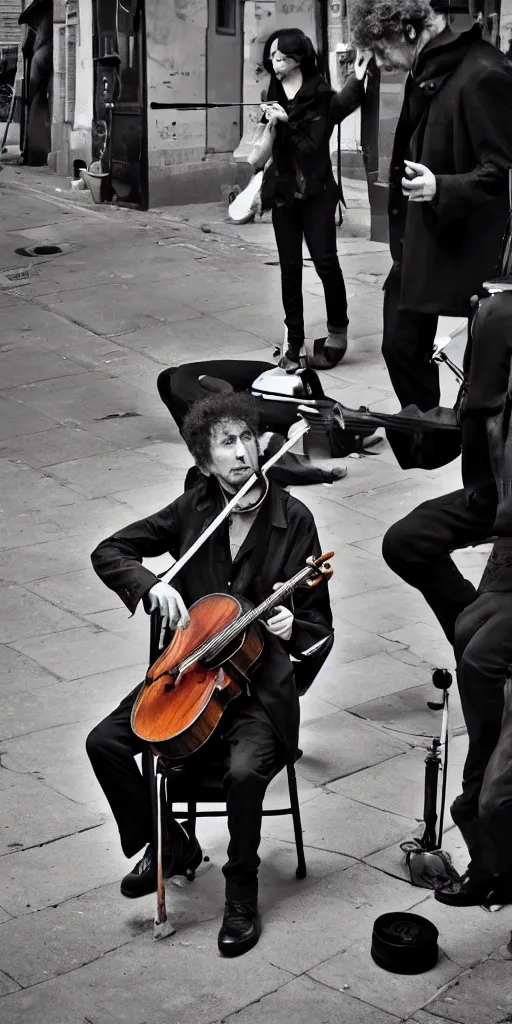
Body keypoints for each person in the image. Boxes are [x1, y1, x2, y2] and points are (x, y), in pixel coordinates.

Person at [86, 392, 333, 956]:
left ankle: (240, 890)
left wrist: (292, 626)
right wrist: (151, 584)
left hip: (257, 690)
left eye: (248, 438)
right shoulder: (194, 507)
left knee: (246, 773)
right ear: (204, 464)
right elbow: (111, 550)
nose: (243, 452)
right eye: (228, 444)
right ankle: (170, 844)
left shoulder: (293, 520)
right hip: (189, 673)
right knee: (103, 742)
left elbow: (320, 628)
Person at [382, 281, 512, 908]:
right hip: (495, 506)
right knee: (408, 544)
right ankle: (476, 633)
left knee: (482, 661)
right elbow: (454, 438)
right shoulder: (492, 374)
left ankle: (490, 858)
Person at [350, 0, 512, 413]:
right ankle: (434, 438)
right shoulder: (428, 67)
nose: (379, 61)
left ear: (407, 30)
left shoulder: (483, 73)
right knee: (400, 345)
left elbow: (503, 170)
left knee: (483, 361)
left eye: (381, 48)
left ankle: (462, 437)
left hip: (464, 238)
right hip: (422, 234)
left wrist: (441, 186)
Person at [247, 28, 372, 371]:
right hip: (284, 191)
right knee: (289, 269)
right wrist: (267, 130)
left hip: (317, 191)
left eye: (279, 57)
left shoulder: (321, 96)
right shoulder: (272, 92)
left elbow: (313, 146)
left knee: (325, 263)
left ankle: (337, 333)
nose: (273, 63)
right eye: (271, 57)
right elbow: (262, 149)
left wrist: (286, 122)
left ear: (297, 58)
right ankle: (294, 341)